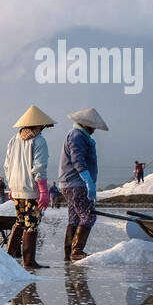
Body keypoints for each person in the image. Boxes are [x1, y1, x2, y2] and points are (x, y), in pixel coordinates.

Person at [2, 104, 55, 270]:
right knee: (31, 223)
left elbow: (7, 166)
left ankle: (7, 256)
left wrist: (11, 186)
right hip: (32, 190)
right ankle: (29, 261)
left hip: (17, 189)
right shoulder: (39, 141)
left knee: (19, 221)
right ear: (39, 125)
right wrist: (43, 191)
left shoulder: (14, 139)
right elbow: (39, 167)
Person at [59, 107, 108, 261]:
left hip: (71, 184)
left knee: (74, 218)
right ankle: (76, 251)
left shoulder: (79, 135)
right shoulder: (77, 135)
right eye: (92, 126)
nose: (94, 129)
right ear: (85, 124)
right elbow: (77, 159)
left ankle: (69, 252)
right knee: (88, 217)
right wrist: (87, 179)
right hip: (76, 183)